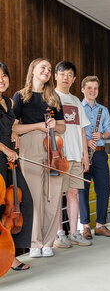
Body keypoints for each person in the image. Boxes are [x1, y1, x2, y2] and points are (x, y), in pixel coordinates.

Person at [13, 58, 66, 258]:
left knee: (52, 196)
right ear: (33, 70)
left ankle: (48, 242)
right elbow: (14, 128)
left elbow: (62, 126)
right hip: (31, 145)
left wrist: (54, 126)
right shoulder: (20, 96)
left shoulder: (53, 96)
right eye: (43, 67)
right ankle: (34, 242)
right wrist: (37, 126)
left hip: (54, 147)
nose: (47, 70)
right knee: (34, 197)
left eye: (49, 69)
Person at [51, 61, 91, 248]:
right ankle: (60, 234)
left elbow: (82, 131)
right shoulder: (51, 97)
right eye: (62, 74)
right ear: (55, 75)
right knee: (59, 195)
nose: (65, 77)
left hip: (76, 154)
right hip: (59, 155)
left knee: (74, 193)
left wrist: (85, 155)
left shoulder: (76, 101)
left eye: (69, 75)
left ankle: (74, 232)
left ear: (74, 79)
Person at [0, 62, 33, 270]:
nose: (1, 80)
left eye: (4, 75)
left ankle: (10, 254)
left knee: (23, 203)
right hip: (2, 157)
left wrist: (13, 133)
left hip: (10, 161)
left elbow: (9, 125)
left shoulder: (7, 101)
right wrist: (5, 149)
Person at [79, 76, 110, 239]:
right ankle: (85, 226)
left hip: (100, 153)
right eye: (89, 88)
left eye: (95, 88)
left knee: (103, 189)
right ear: (83, 89)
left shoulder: (103, 109)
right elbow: (74, 131)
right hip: (83, 154)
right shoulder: (78, 108)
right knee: (83, 191)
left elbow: (109, 131)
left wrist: (101, 134)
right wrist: (86, 141)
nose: (92, 91)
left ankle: (101, 225)